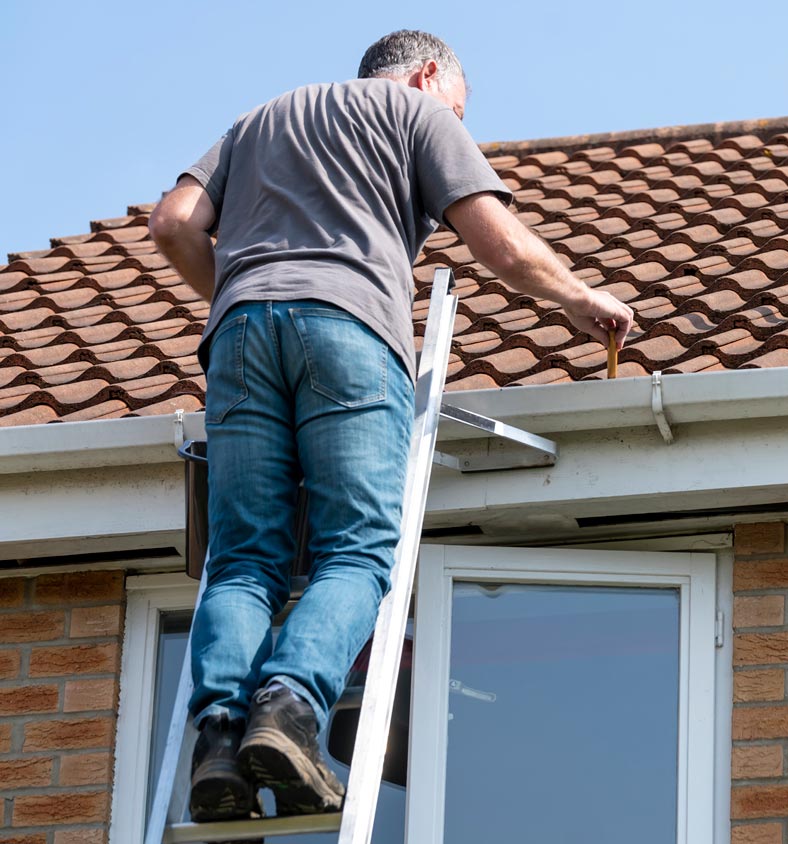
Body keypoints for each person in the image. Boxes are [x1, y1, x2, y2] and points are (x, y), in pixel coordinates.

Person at [148, 29, 634, 823]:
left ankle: (217, 737)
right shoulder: (415, 114)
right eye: (463, 110)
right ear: (429, 73)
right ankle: (291, 707)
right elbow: (499, 246)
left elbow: (172, 225)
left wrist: (243, 294)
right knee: (357, 548)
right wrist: (581, 299)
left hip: (236, 337)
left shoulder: (257, 120)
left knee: (242, 560)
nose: (463, 125)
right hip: (347, 329)